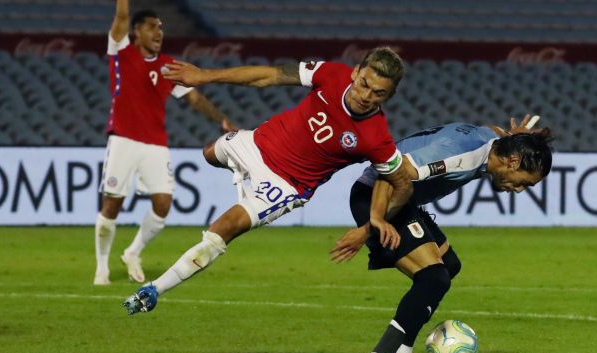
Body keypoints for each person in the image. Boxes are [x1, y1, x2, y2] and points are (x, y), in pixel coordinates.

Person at [122, 48, 414, 315]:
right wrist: (203, 76)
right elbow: (269, 76)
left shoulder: (377, 139)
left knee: (224, 228)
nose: (366, 96)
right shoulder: (331, 73)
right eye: (364, 84)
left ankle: (154, 290)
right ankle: (235, 164)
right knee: (209, 153)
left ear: (388, 96)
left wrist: (369, 228)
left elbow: (403, 185)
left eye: (378, 93)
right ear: (355, 72)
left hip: (285, 185)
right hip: (256, 143)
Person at [330, 115, 553, 353]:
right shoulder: (462, 155)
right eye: (523, 182)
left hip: (404, 201)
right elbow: (391, 170)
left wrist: (516, 138)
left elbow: (495, 132)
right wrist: (371, 225)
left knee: (449, 266)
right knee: (433, 279)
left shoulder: (496, 143)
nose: (518, 190)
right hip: (378, 196)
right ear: (513, 161)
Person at [94, 0, 235, 285]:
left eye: (161, 27)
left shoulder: (168, 67)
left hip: (155, 144)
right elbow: (121, 14)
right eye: (152, 27)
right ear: (136, 32)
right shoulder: (120, 51)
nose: (159, 32)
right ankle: (101, 268)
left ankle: (133, 252)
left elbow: (194, 97)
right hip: (123, 139)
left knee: (163, 203)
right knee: (113, 205)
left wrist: (220, 120)